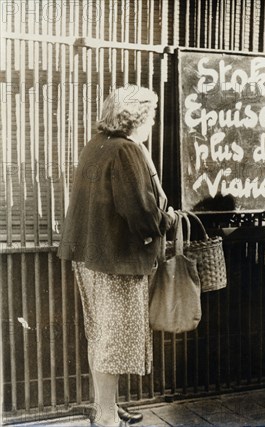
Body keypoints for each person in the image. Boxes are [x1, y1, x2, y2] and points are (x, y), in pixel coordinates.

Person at [58, 86, 177, 426]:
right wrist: (167, 220)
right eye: (150, 116)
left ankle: (104, 406)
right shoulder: (127, 151)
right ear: (137, 117)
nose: (152, 122)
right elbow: (142, 214)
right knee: (112, 340)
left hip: (90, 257)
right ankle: (108, 416)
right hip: (114, 262)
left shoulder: (97, 145)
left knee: (101, 335)